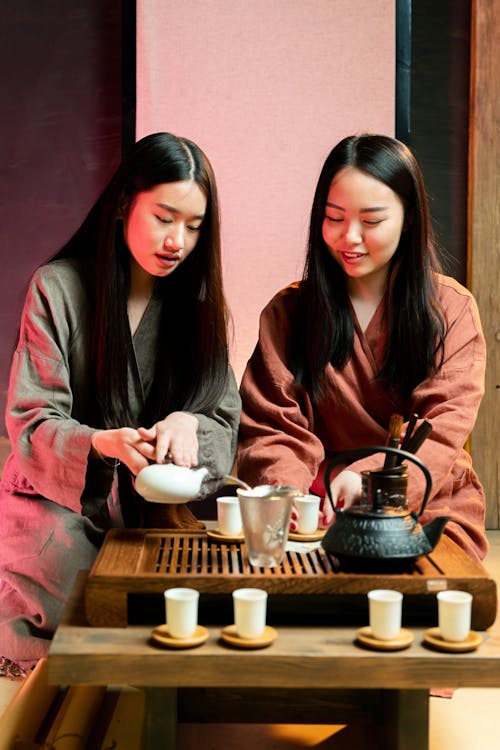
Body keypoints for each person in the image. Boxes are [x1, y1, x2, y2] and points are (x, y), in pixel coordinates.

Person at [0, 132, 241, 670]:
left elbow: (224, 424)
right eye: (164, 217)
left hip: (148, 508)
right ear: (123, 204)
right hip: (55, 500)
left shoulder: (198, 310)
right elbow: (32, 419)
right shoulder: (56, 289)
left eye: (194, 227)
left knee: (208, 608)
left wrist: (189, 423)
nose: (177, 240)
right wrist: (99, 443)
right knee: (75, 599)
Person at [237, 133, 487, 563]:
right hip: (322, 501)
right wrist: (288, 497)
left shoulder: (451, 309)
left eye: (371, 222)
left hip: (425, 499)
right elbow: (272, 426)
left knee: (424, 588)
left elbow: (443, 429)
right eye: (334, 218)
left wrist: (371, 480)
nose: (349, 237)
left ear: (408, 218)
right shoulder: (289, 311)